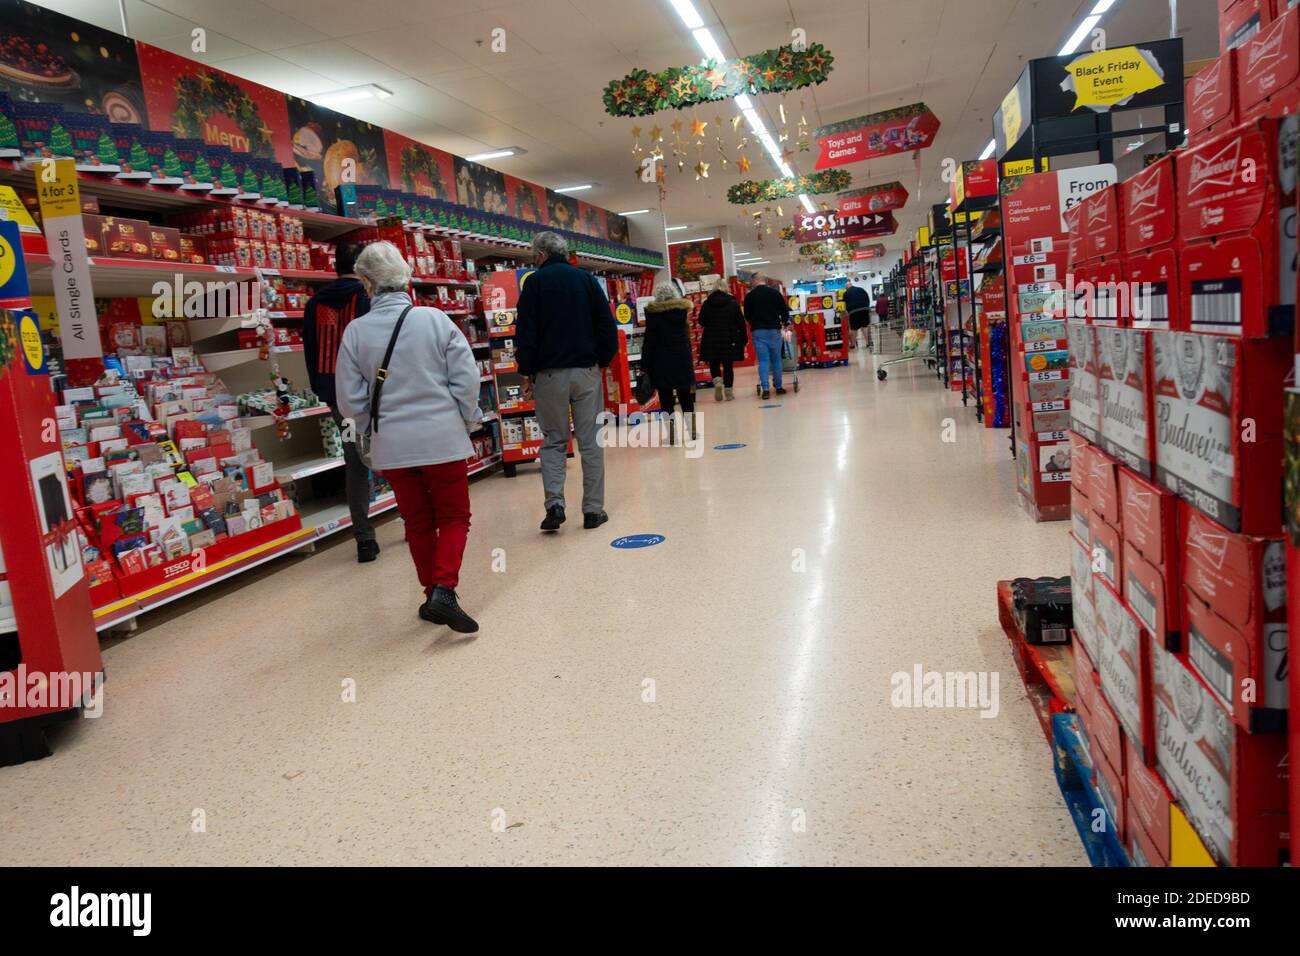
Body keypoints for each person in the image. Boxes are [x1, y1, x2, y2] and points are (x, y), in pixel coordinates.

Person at [335, 241, 482, 633]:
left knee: (417, 521)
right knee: (453, 516)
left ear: (366, 284)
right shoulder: (435, 321)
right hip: (442, 438)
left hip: (392, 445)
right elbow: (466, 380)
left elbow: (348, 401)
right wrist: (467, 418)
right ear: (406, 278)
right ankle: (443, 591)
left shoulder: (355, 332)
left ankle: (430, 595)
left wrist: (371, 428)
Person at [515, 231, 618, 532]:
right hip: (586, 371)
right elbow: (606, 326)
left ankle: (555, 505)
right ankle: (593, 511)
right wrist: (601, 362)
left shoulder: (533, 284)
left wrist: (526, 372)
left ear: (541, 255)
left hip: (549, 375)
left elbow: (526, 334)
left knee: (554, 441)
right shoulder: (586, 281)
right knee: (591, 442)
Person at [301, 241, 376, 562]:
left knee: (355, 462)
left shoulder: (314, 303)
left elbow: (310, 352)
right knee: (393, 455)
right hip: (373, 394)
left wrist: (324, 391)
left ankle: (364, 539)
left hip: (337, 399)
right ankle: (412, 522)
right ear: (362, 268)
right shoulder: (366, 299)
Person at [641, 284, 697, 441]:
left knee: (666, 398)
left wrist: (644, 365)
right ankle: (692, 430)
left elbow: (649, 342)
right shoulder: (682, 312)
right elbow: (686, 336)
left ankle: (672, 434)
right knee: (685, 395)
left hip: (661, 360)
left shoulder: (653, 314)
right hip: (681, 357)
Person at [696, 276, 748, 401]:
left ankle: (718, 381)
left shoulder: (707, 303)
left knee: (714, 363)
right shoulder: (732, 303)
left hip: (711, 339)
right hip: (729, 338)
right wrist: (743, 338)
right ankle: (729, 392)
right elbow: (740, 322)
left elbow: (701, 321)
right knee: (728, 365)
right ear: (726, 288)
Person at [743, 277, 791, 399]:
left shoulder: (750, 296)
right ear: (765, 281)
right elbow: (784, 310)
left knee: (763, 361)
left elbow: (747, 315)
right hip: (774, 330)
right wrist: (785, 322)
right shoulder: (775, 293)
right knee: (776, 360)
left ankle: (765, 390)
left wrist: (754, 323)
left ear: (755, 282)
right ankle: (779, 387)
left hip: (758, 332)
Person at [843, 282, 874, 351]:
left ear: (846, 287)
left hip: (853, 311)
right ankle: (868, 343)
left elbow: (845, 305)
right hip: (864, 309)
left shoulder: (846, 293)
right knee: (865, 326)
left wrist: (847, 312)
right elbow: (868, 299)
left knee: (854, 329)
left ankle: (853, 344)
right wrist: (866, 307)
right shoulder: (861, 289)